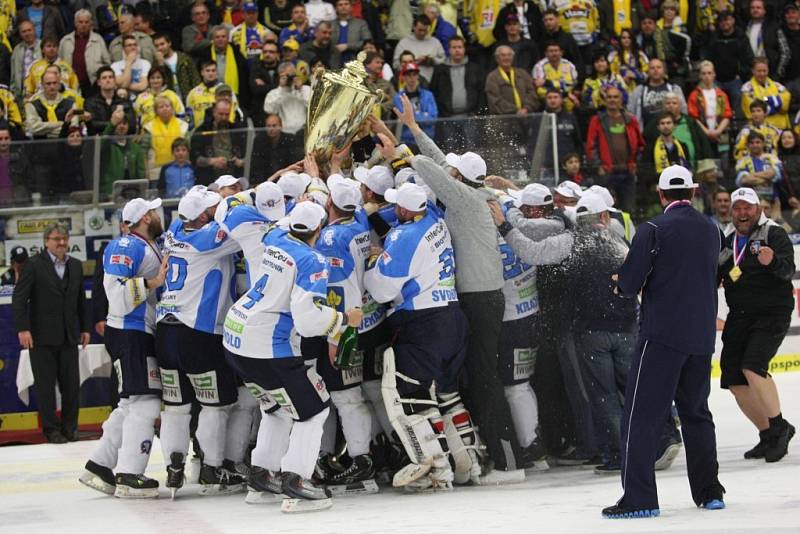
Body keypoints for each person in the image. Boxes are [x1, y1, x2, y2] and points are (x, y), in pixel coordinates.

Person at [390, 95, 525, 482]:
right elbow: (443, 168)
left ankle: (508, 462)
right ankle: (494, 453)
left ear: (461, 180)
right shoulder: (476, 193)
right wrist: (415, 129)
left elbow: (433, 173)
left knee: (485, 377)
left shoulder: (466, 201)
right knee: (478, 375)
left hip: (480, 299)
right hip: (482, 296)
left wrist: (400, 151)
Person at [603, 165, 725, 518]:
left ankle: (639, 499)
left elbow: (629, 283)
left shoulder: (653, 229)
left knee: (641, 417)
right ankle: (710, 491)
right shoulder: (712, 229)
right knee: (697, 414)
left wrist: (620, 281)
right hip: (701, 337)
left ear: (660, 194)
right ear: (693, 191)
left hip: (661, 337)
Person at [222, 201, 359, 510]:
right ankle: (297, 480)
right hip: (265, 345)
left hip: (236, 337)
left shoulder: (275, 236)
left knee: (276, 406)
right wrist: (341, 320)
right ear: (320, 229)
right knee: (315, 409)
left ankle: (262, 476)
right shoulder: (313, 261)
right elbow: (308, 320)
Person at [364, 182, 479, 490]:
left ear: (403, 210)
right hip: (452, 317)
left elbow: (381, 288)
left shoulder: (404, 236)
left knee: (411, 397)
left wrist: (374, 262)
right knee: (447, 392)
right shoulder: (433, 218)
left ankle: (435, 468)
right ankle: (468, 459)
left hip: (422, 322)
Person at [156, 185, 255, 497]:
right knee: (215, 405)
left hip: (166, 331)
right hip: (197, 332)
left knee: (176, 407)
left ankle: (174, 466)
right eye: (212, 207)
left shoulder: (174, 228)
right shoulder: (209, 239)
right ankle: (213, 468)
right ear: (201, 215)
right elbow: (244, 227)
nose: (217, 210)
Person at [78, 200, 167, 497]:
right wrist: (152, 282)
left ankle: (100, 465)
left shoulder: (147, 243)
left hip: (136, 332)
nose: (158, 215)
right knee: (145, 402)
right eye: (152, 212)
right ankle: (130, 474)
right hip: (130, 332)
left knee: (130, 402)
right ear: (143, 218)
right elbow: (116, 295)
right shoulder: (126, 245)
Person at [718, 186, 796, 463]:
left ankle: (779, 428)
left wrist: (772, 260)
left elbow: (789, 269)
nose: (742, 213)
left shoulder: (773, 233)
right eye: (737, 208)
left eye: (747, 208)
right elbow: (714, 276)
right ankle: (767, 434)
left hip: (772, 313)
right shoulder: (726, 239)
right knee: (734, 379)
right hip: (739, 316)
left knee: (753, 366)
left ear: (758, 209)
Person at [11, 224, 89, 444]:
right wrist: (23, 329)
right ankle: (51, 430)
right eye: (57, 239)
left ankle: (70, 428)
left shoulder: (75, 265)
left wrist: (84, 328)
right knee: (45, 387)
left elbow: (80, 300)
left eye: (64, 238)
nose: (62, 243)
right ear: (46, 242)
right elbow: (19, 299)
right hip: (40, 337)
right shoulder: (34, 265)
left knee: (72, 386)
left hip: (69, 336)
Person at [586, 85, 644, 213]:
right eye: (609, 97)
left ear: (621, 99)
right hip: (607, 172)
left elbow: (640, 144)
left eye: (616, 97)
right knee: (607, 211)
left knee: (628, 210)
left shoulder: (630, 119)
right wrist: (598, 165)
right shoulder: (597, 120)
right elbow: (591, 146)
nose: (612, 100)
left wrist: (635, 163)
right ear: (605, 100)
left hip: (627, 172)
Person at [701, 10, 752, 118]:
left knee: (739, 95)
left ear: (733, 20)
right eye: (721, 21)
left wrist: (740, 73)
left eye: (727, 19)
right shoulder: (714, 38)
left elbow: (748, 58)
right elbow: (708, 57)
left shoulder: (741, 37)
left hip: (735, 79)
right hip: (716, 79)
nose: (724, 23)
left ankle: (737, 124)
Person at [191, 100, 247, 185]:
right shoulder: (203, 131)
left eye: (227, 114)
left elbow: (249, 156)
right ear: (214, 112)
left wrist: (240, 162)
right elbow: (194, 158)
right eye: (221, 114)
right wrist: (212, 161)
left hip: (233, 181)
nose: (224, 117)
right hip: (209, 181)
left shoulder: (237, 130)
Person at [58, 9, 112, 96]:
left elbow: (107, 63)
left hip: (93, 85)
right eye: (81, 22)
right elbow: (59, 63)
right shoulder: (65, 41)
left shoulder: (98, 39)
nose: (83, 25)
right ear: (75, 23)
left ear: (91, 23)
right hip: (70, 86)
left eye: (86, 22)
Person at [687, 61, 733, 161]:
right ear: (699, 76)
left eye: (709, 73)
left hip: (721, 134)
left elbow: (727, 115)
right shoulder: (694, 95)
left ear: (714, 74)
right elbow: (693, 117)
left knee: (724, 164)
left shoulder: (721, 94)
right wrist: (707, 132)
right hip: (703, 135)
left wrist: (718, 131)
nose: (707, 76)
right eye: (704, 73)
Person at [628, 58, 686, 130]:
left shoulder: (675, 89)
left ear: (664, 71)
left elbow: (683, 111)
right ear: (648, 72)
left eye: (659, 67)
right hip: (647, 134)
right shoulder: (639, 90)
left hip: (672, 133)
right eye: (652, 68)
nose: (656, 70)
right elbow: (630, 113)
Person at [100, 105, 146, 196]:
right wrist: (112, 124)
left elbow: (140, 172)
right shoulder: (107, 145)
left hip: (132, 194)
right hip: (110, 193)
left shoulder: (136, 148)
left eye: (124, 123)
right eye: (119, 123)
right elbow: (101, 144)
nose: (121, 126)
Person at [142, 96, 190, 181]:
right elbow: (143, 151)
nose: (165, 109)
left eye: (167, 106)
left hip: (181, 170)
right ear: (156, 111)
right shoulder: (149, 127)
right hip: (156, 172)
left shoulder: (183, 125)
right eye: (161, 107)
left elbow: (188, 148)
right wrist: (145, 171)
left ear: (172, 108)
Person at [392, 62, 438, 145]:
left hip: (427, 138)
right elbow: (406, 119)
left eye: (414, 74)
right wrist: (424, 115)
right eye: (409, 75)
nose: (412, 78)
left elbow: (433, 118)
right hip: (408, 140)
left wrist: (413, 117)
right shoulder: (398, 98)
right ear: (404, 77)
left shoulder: (428, 95)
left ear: (418, 76)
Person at [741, 57, 792, 130]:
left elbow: (785, 106)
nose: (762, 73)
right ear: (753, 71)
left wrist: (765, 100)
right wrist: (775, 102)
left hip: (781, 128)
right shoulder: (747, 89)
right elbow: (753, 111)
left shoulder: (777, 86)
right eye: (759, 71)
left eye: (764, 71)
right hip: (760, 130)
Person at [485, 45, 538, 115]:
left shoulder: (523, 74)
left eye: (509, 55)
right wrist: (516, 111)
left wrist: (526, 108)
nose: (506, 58)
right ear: (497, 59)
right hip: (504, 119)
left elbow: (532, 93)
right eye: (503, 55)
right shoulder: (492, 77)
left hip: (526, 116)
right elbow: (495, 100)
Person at [250, 114, 303, 182]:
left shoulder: (290, 140)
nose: (271, 129)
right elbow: (256, 164)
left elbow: (293, 161)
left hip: (285, 178)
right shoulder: (259, 140)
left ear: (281, 126)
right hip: (265, 179)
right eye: (268, 126)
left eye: (274, 126)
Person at [744, 0, 789, 79]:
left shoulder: (774, 27)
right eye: (752, 8)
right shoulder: (746, 27)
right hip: (750, 74)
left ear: (764, 11)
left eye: (758, 7)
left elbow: (785, 52)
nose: (755, 10)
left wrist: (778, 72)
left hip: (771, 73)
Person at [392, 15, 445, 83]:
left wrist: (431, 61)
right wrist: (414, 62)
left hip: (432, 82)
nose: (422, 33)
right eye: (420, 30)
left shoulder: (435, 42)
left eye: (425, 30)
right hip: (409, 83)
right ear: (414, 27)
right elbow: (396, 65)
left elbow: (443, 61)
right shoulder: (403, 43)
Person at [264, 62, 312, 135]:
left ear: (295, 74)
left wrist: (300, 89)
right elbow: (269, 110)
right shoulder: (274, 93)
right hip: (284, 133)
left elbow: (313, 107)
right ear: (279, 77)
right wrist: (281, 89)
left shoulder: (306, 89)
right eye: (284, 76)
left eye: (290, 75)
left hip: (304, 132)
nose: (288, 78)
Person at [84, 65, 134, 136]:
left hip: (120, 140)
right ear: (99, 82)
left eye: (110, 77)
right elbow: (92, 125)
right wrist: (114, 123)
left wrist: (106, 124)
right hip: (98, 141)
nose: (108, 80)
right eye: (104, 78)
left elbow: (132, 126)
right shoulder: (90, 102)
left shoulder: (125, 103)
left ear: (114, 81)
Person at [152, 32, 201, 102]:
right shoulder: (156, 63)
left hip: (189, 97)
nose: (160, 48)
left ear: (169, 43)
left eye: (162, 44)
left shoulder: (184, 58)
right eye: (156, 46)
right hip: (169, 100)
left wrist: (197, 95)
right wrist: (161, 65)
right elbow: (160, 83)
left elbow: (195, 78)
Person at [532, 41, 580, 111]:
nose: (554, 53)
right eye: (551, 51)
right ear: (546, 53)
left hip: (568, 99)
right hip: (548, 100)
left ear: (561, 52)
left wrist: (547, 83)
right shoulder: (539, 66)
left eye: (556, 51)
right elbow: (539, 89)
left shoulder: (569, 65)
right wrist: (562, 87)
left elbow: (571, 84)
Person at [735, 131, 782, 199]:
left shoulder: (773, 157)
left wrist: (753, 174)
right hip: (751, 200)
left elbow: (771, 174)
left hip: (773, 199)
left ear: (763, 143)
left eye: (758, 142)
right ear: (747, 145)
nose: (755, 145)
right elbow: (745, 180)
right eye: (752, 143)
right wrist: (768, 179)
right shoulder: (742, 161)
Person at [608, 28, 649, 95]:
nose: (626, 40)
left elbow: (647, 73)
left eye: (629, 37)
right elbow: (612, 75)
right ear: (620, 40)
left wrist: (636, 75)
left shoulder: (640, 55)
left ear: (632, 39)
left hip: (638, 88)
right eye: (623, 38)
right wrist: (622, 79)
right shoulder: (614, 55)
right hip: (620, 89)